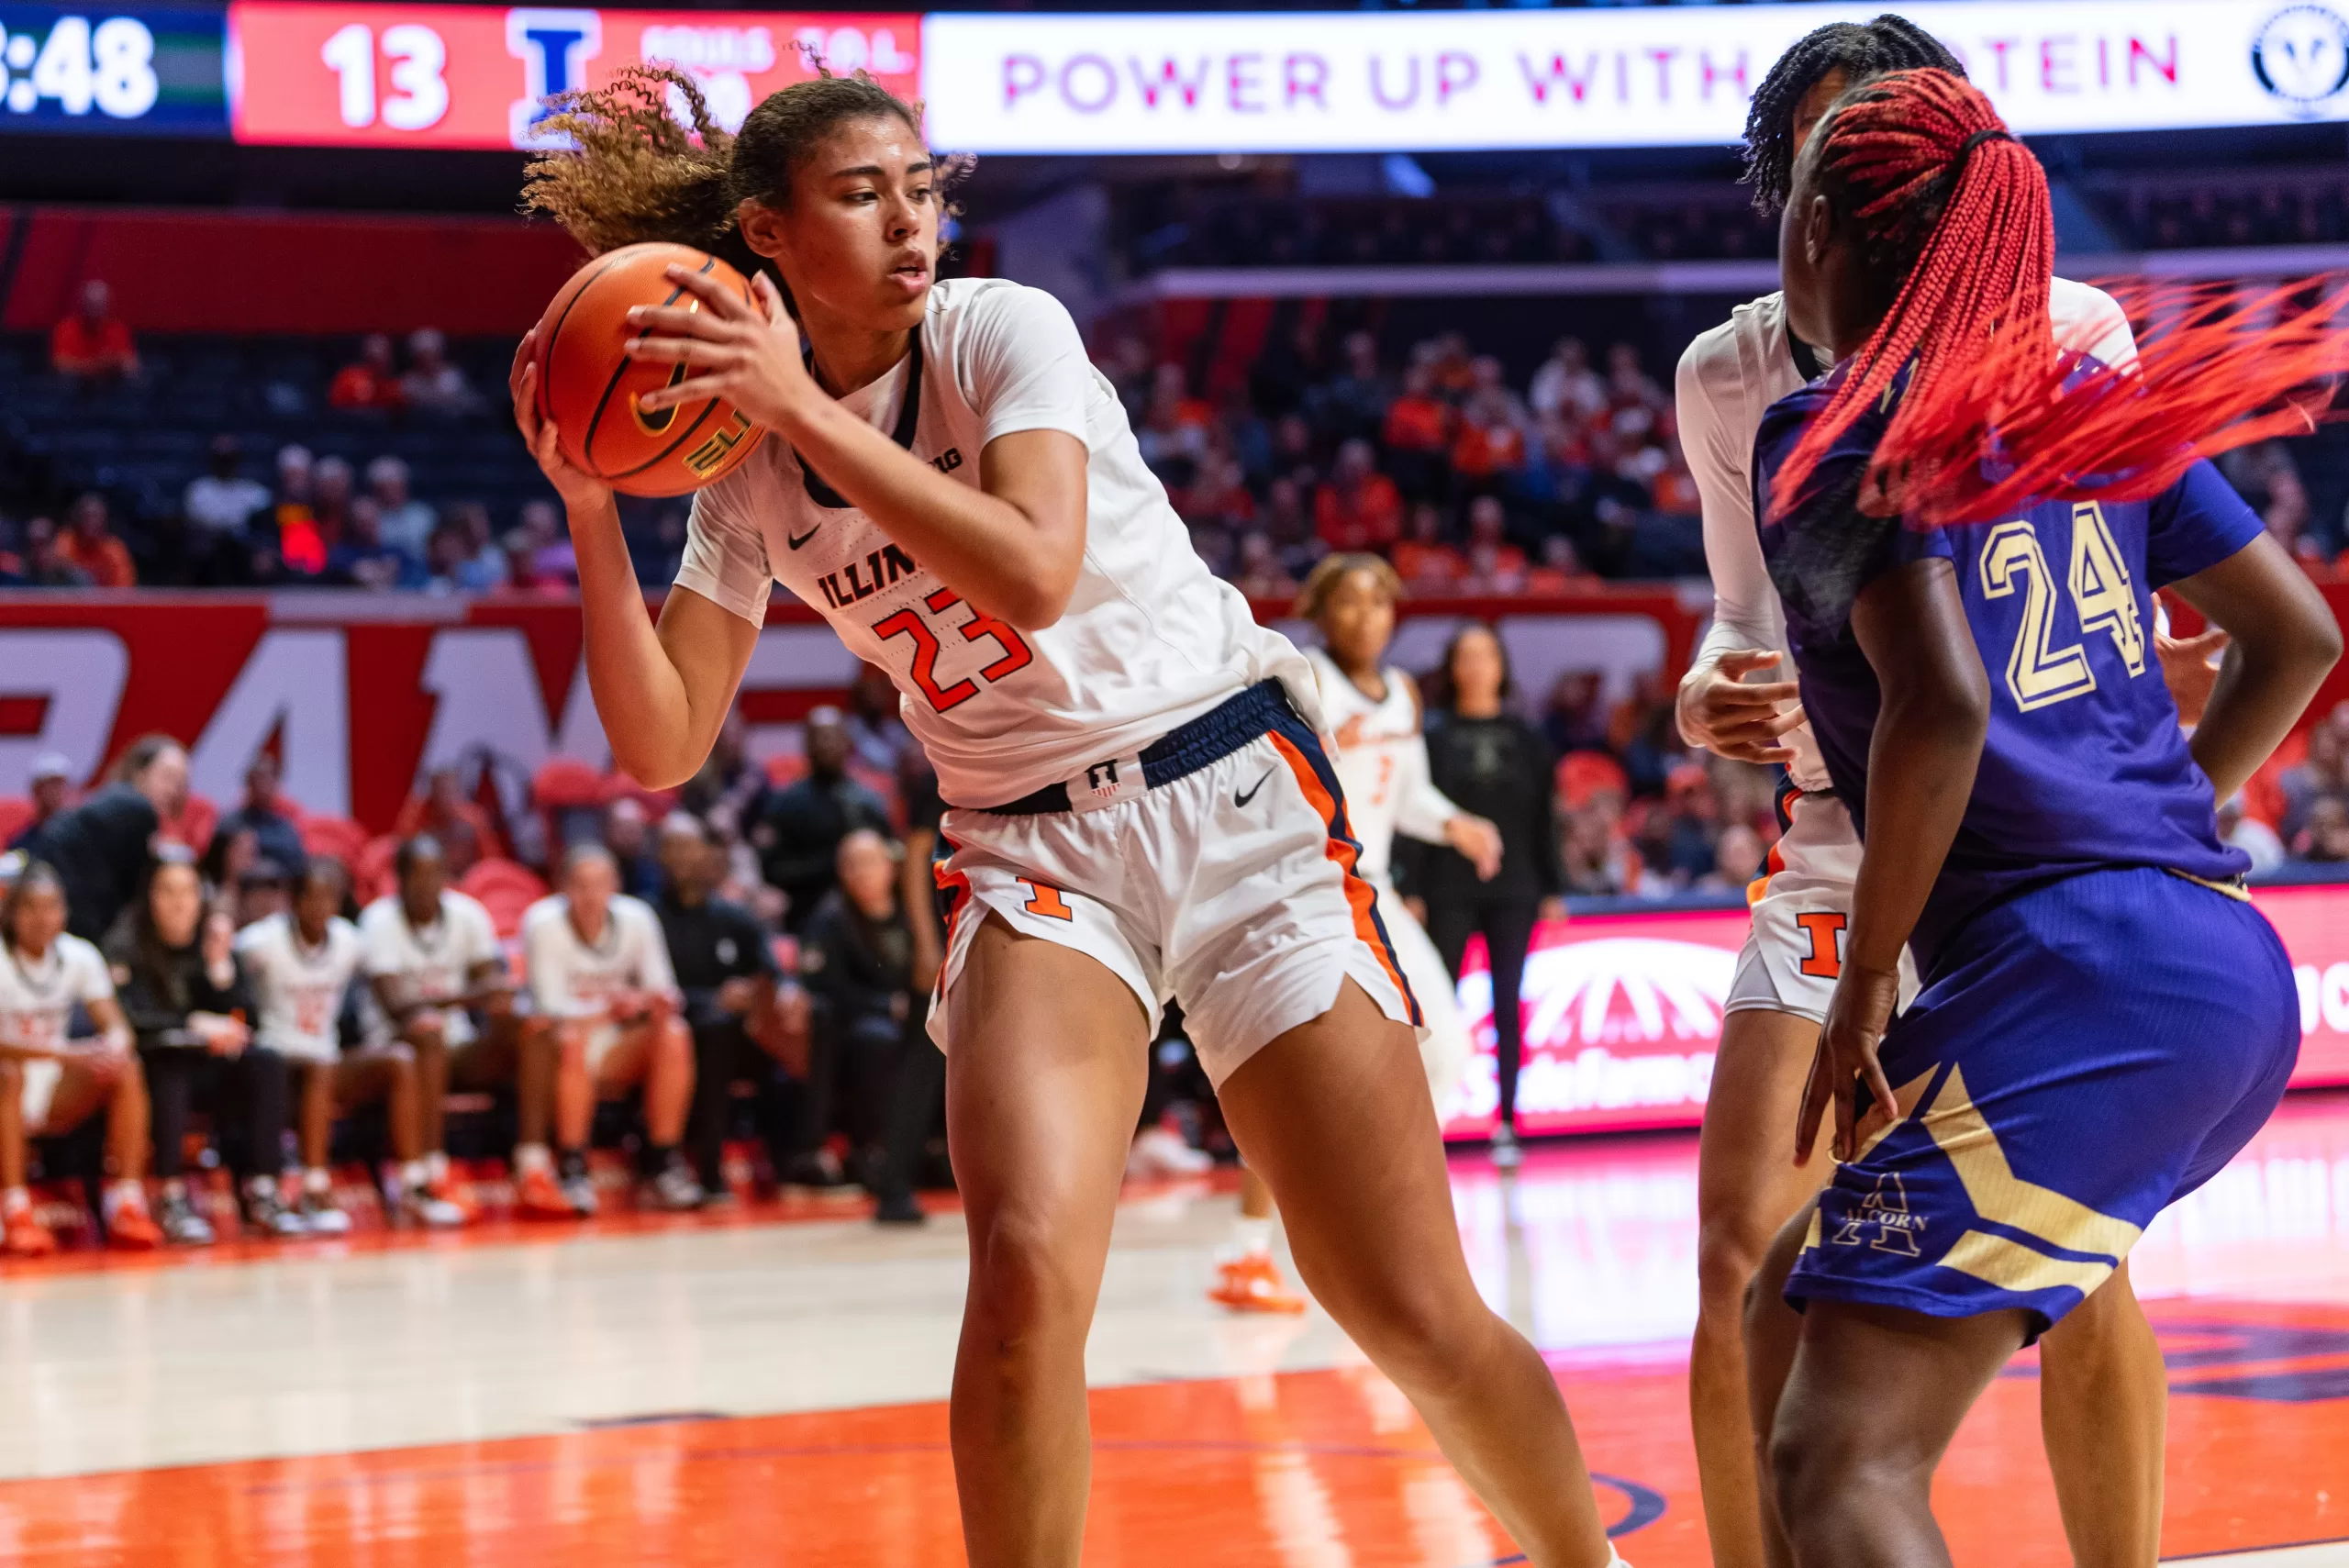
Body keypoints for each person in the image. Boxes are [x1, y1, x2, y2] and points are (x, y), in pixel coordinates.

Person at [518, 64, 1621, 1568]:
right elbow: (659, 740)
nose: (913, 219)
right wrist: (590, 505)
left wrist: (789, 406)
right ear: (769, 234)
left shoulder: (997, 330)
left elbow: (1032, 570)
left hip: (1236, 798)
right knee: (1027, 1279)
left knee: (1403, 1302)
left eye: (923, 187)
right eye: (864, 194)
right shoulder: (746, 473)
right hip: (1034, 852)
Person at [1743, 66, 2342, 1568]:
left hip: (2076, 969)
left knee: (1845, 1458)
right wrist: (2170, 814)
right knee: (1785, 1299)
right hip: (2213, 953)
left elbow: (1939, 706)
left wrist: (1865, 975)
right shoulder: (2082, 398)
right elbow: (2298, 638)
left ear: (1818, 228)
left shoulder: (1820, 432)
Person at [1666, 21, 2205, 1568]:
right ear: (1789, 184)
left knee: (2083, 1273)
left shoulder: (2074, 326)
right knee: (1736, 1246)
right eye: (1841, 158)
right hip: (1841, 841)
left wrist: (2148, 834)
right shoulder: (1730, 373)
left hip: (2020, 849)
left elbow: (2115, 621)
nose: (1871, 190)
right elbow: (1745, 619)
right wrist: (1714, 686)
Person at [1200, 554, 1503, 1314]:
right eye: (1350, 601)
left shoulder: (1401, 693)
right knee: (1295, 1084)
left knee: (1447, 1048)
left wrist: (1455, 823)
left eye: (1380, 601)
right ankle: (1249, 1253)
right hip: (1306, 894)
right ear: (1321, 612)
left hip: (1377, 895)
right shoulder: (1296, 680)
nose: (1368, 614)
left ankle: (1382, 1215)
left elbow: (1408, 797)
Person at [238, 860, 466, 1233]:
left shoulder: (348, 941)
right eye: (311, 897)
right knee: (320, 1064)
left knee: (399, 1060)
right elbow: (222, 970)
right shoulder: (260, 942)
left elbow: (386, 980)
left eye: (329, 897)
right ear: (293, 901)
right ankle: (314, 1188)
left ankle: (413, 1183)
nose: (320, 906)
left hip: (325, 1058)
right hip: (278, 1065)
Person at [1412, 622, 1564, 1171]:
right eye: (1466, 656)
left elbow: (1544, 817)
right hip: (1445, 887)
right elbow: (1416, 816)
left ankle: (1506, 1122)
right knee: (1437, 1005)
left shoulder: (1528, 738)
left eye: (1486, 656)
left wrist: (1552, 886)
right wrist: (1411, 886)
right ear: (1453, 668)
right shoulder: (1432, 736)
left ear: (1501, 667)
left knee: (1506, 1004)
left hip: (1516, 887)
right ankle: (1428, 1121)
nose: (1476, 666)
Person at [110, 850, 304, 1240]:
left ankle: (264, 1190)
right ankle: (171, 1196)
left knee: (265, 1060)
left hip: (209, 1071)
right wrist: (192, 1025)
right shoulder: (125, 943)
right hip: (152, 1073)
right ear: (150, 897)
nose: (180, 901)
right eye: (167, 891)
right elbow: (129, 1018)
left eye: (188, 891)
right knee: (172, 1066)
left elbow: (249, 1019)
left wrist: (221, 971)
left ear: (202, 897)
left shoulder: (212, 940)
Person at [361, 836, 541, 1219]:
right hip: (395, 1045)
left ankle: (534, 1165)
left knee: (529, 1027)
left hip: (456, 1044)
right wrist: (467, 995)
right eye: (417, 875)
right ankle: (432, 1171)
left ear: (447, 876)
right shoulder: (378, 919)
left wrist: (479, 997)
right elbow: (398, 1007)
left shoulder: (469, 914)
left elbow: (495, 987)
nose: (426, 884)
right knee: (426, 1030)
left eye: (435, 874)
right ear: (399, 878)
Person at [522, 844, 703, 1215]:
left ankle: (663, 1161)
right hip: (561, 1048)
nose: (591, 896)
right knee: (570, 1038)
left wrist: (646, 1003)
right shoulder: (541, 922)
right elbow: (550, 1010)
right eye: (581, 885)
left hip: (619, 1044)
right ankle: (572, 1166)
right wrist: (613, 1007)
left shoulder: (638, 917)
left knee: (674, 1032)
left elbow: (664, 991)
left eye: (600, 884)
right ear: (563, 888)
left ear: (615, 885)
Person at [0, 863, 162, 1254]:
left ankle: (126, 1203)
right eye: (30, 908)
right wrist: (66, 1053)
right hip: (8, 1082)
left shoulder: (80, 955)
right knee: (8, 1074)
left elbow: (116, 1023)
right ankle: (14, 1210)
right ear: (10, 913)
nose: (42, 918)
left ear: (65, 912)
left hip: (56, 1085)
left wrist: (114, 1045)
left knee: (126, 1068)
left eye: (51, 907)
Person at [652, 813, 794, 1201]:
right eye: (672, 847)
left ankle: (794, 1164)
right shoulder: (648, 917)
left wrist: (753, 990)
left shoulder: (733, 916)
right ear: (659, 855)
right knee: (715, 1034)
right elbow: (650, 988)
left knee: (794, 1041)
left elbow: (771, 972)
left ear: (705, 853)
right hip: (678, 1037)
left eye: (689, 846)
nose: (681, 857)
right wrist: (712, 999)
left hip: (739, 1034)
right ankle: (709, 1172)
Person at [796, 828, 925, 1216]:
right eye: (851, 866)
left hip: (915, 1015)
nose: (860, 873)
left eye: (869, 863)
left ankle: (936, 1149)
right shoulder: (830, 919)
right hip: (854, 1026)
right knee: (877, 1039)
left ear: (891, 868)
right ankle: (872, 1147)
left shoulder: (911, 911)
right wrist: (886, 1005)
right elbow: (824, 987)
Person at [748, 706, 894, 931]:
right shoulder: (785, 804)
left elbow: (892, 856)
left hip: (868, 921)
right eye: (819, 737)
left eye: (833, 736)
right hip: (807, 917)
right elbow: (772, 869)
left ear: (847, 742)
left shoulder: (869, 802)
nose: (826, 744)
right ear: (806, 744)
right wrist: (831, 864)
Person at [34, 735, 188, 944]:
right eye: (167, 776)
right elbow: (139, 890)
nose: (174, 789)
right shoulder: (138, 808)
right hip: (75, 923)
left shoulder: (114, 800)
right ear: (140, 772)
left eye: (181, 781)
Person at [215, 754, 307, 876]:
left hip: (277, 888)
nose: (262, 785)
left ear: (276, 784)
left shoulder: (285, 828)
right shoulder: (229, 825)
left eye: (268, 779)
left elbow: (297, 865)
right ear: (248, 783)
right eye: (257, 778)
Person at [184, 436, 274, 539]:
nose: (225, 464)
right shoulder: (197, 490)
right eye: (221, 459)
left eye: (230, 459)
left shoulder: (256, 492)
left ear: (239, 459)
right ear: (212, 460)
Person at [50, 280, 138, 381]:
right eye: (91, 304)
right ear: (83, 304)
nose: (95, 310)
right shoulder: (66, 328)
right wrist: (95, 365)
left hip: (110, 384)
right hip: (76, 384)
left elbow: (130, 363)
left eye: (99, 305)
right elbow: (59, 364)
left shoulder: (117, 329)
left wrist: (110, 363)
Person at [58, 494, 136, 589]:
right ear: (77, 517)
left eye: (97, 516)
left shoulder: (114, 549)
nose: (92, 521)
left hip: (106, 602)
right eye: (87, 516)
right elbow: (58, 573)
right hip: (71, 600)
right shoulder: (66, 541)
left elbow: (124, 587)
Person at [400, 328, 482, 417]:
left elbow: (469, 406)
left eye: (431, 356)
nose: (427, 362)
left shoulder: (453, 376)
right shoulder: (409, 380)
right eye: (422, 357)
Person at [10, 753, 75, 851]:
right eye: (50, 785)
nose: (56, 792)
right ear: (36, 790)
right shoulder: (22, 843)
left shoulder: (78, 837)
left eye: (60, 784)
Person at [328, 335, 406, 414]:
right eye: (374, 360)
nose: (380, 364)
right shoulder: (349, 377)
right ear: (366, 358)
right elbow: (334, 403)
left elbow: (401, 405)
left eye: (383, 360)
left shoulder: (391, 386)